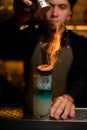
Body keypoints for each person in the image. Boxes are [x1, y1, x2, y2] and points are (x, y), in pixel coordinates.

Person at [0, 0, 87, 120]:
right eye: (50, 6)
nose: (54, 13)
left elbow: (82, 77)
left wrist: (68, 97)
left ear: (69, 13)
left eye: (62, 7)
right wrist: (17, 18)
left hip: (62, 117)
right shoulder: (29, 36)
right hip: (30, 116)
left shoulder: (80, 43)